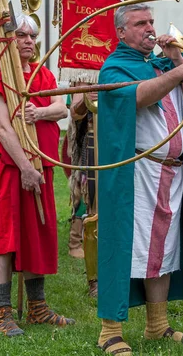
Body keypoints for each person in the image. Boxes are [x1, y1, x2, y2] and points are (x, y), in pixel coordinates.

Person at [96, 3, 183, 355]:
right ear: (121, 32)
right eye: (140, 23)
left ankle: (157, 325)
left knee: (163, 250)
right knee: (125, 247)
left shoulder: (161, 64)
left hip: (171, 172)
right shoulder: (114, 67)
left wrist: (177, 60)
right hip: (136, 173)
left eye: (151, 21)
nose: (149, 28)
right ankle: (109, 331)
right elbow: (137, 97)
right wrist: (176, 73)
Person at [0, 13, 73, 336]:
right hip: (8, 170)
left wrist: (38, 111)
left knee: (36, 236)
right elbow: (2, 127)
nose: (29, 41)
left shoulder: (43, 74)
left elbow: (61, 108)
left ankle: (37, 308)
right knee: (4, 240)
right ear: (8, 40)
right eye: (21, 35)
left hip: (38, 168)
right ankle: (2, 312)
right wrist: (25, 168)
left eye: (32, 36)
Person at [68, 88, 99, 296]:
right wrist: (87, 96)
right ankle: (95, 280)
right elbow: (75, 111)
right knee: (92, 208)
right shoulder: (84, 72)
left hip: (123, 142)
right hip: (92, 143)